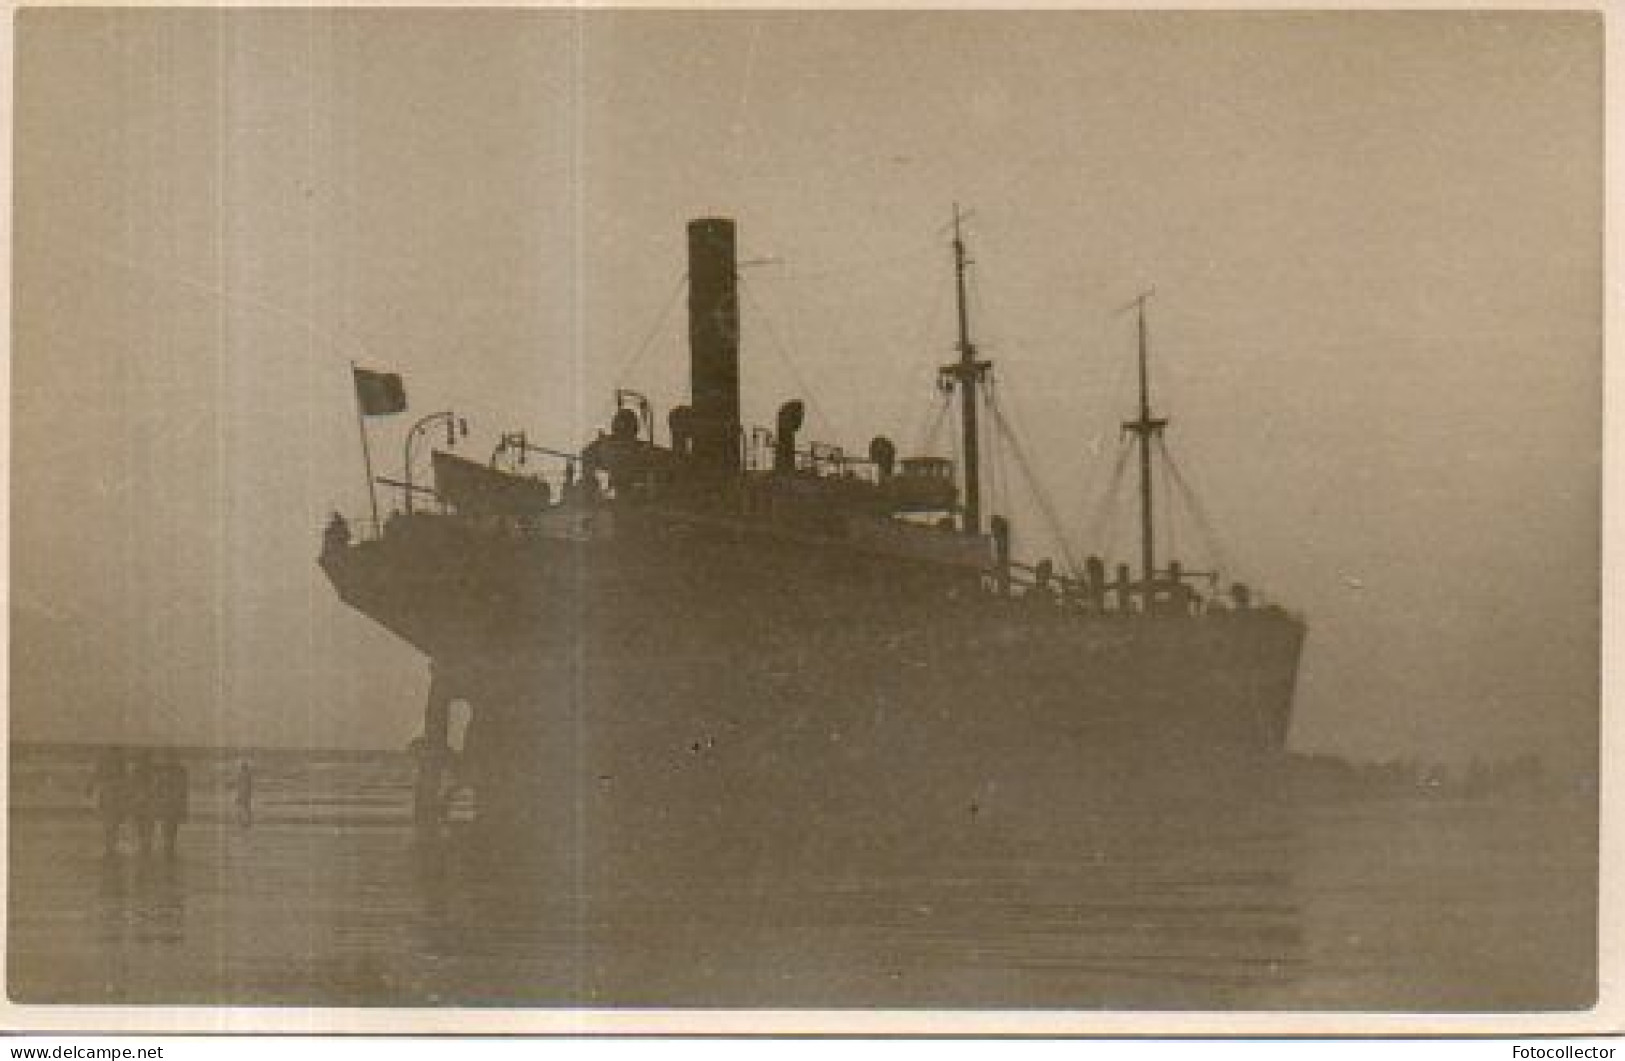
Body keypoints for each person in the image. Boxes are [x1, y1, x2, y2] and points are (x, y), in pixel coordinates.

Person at [87, 747, 128, 855]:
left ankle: (111, 846)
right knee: (111, 821)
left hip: (112, 793)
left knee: (112, 822)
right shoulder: (115, 757)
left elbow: (95, 775)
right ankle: (110, 846)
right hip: (111, 793)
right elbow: (96, 775)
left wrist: (90, 787)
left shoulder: (113, 758)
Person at [152, 752, 189, 857]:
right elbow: (159, 788)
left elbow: (183, 790)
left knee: (171, 828)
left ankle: (169, 848)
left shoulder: (178, 771)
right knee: (169, 828)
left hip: (172, 804)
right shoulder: (177, 771)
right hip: (169, 804)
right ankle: (169, 849)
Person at [126, 750, 157, 856]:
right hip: (145, 802)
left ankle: (145, 846)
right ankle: (145, 847)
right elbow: (131, 786)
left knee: (144, 825)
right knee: (145, 826)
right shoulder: (148, 770)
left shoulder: (138, 771)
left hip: (142, 802)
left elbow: (131, 786)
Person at [233, 760, 254, 827]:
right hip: (244, 794)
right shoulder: (245, 775)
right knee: (245, 808)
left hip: (244, 794)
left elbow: (247, 785)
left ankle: (245, 821)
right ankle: (244, 821)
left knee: (245, 808)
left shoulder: (245, 775)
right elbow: (243, 785)